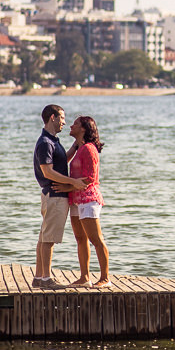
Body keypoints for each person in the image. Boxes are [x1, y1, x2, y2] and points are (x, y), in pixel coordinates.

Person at [32, 105, 87, 288]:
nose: (64, 122)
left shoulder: (53, 141)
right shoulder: (46, 143)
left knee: (44, 236)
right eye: (62, 118)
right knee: (48, 238)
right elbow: (47, 172)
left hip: (52, 195)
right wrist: (73, 182)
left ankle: (39, 276)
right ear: (53, 117)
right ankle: (47, 279)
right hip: (55, 195)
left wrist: (75, 146)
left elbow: (61, 162)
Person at [65, 115, 110, 288]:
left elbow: (91, 177)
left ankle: (105, 278)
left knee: (96, 239)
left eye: (75, 124)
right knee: (80, 238)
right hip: (75, 199)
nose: (71, 126)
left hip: (88, 198)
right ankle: (85, 277)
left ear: (83, 128)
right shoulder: (80, 148)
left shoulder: (89, 149)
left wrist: (67, 188)